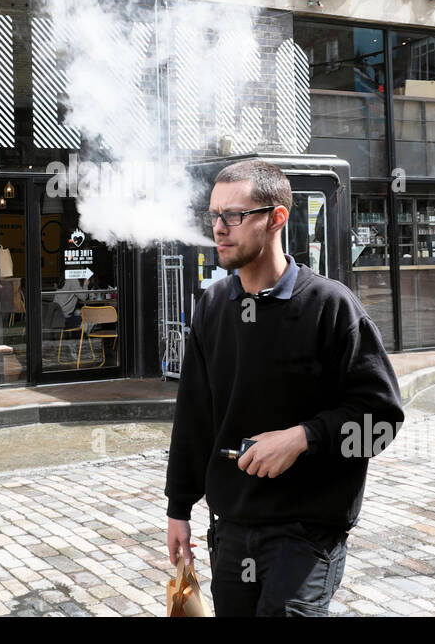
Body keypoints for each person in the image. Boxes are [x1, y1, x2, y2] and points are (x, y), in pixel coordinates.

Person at [165, 158, 405, 616]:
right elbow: (194, 418)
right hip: (232, 530)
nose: (219, 228)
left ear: (277, 218)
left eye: (233, 216)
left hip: (307, 534)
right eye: (214, 216)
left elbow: (382, 420)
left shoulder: (331, 306)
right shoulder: (213, 307)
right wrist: (179, 508)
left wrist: (303, 438)